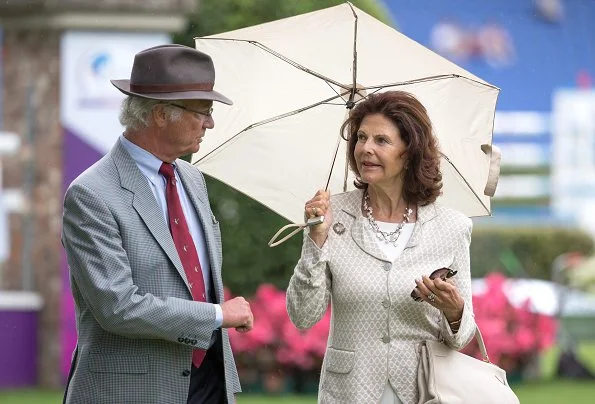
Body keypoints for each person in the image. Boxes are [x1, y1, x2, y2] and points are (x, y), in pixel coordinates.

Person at [61, 44, 253, 404]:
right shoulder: (91, 194)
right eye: (204, 111)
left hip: (210, 384)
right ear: (162, 114)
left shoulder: (192, 178)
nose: (210, 123)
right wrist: (217, 315)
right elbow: (117, 307)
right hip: (131, 392)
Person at [286, 91, 477, 404]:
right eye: (361, 138)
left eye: (381, 140)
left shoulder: (452, 228)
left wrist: (454, 310)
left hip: (424, 393)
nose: (366, 149)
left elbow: (463, 334)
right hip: (348, 394)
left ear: (409, 151)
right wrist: (316, 239)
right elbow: (303, 316)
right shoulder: (330, 216)